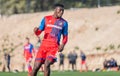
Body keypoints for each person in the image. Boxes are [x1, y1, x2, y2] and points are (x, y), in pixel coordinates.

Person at [31, 3, 68, 76]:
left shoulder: (64, 23)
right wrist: (36, 31)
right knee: (36, 66)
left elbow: (65, 37)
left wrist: (63, 44)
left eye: (63, 11)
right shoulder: (46, 19)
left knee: (47, 64)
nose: (61, 12)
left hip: (53, 48)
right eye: (60, 10)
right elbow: (39, 32)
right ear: (55, 10)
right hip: (43, 46)